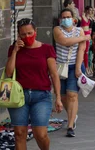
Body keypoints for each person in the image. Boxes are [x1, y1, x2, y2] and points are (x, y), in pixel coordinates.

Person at [6, 18, 63, 150]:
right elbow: (9, 73)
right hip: (18, 97)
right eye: (23, 34)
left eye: (30, 33)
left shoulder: (46, 49)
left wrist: (58, 97)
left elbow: (54, 74)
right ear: (18, 35)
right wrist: (15, 51)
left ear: (35, 31)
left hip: (41, 96)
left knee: (40, 134)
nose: (27, 37)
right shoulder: (14, 49)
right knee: (19, 134)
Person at [53, 8, 88, 137]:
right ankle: (73, 116)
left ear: (74, 19)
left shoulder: (79, 31)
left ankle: (70, 125)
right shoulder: (57, 30)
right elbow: (64, 41)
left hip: (74, 66)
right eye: (63, 17)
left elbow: (81, 50)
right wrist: (84, 37)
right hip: (60, 67)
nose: (66, 19)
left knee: (72, 95)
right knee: (63, 97)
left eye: (68, 16)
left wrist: (78, 67)